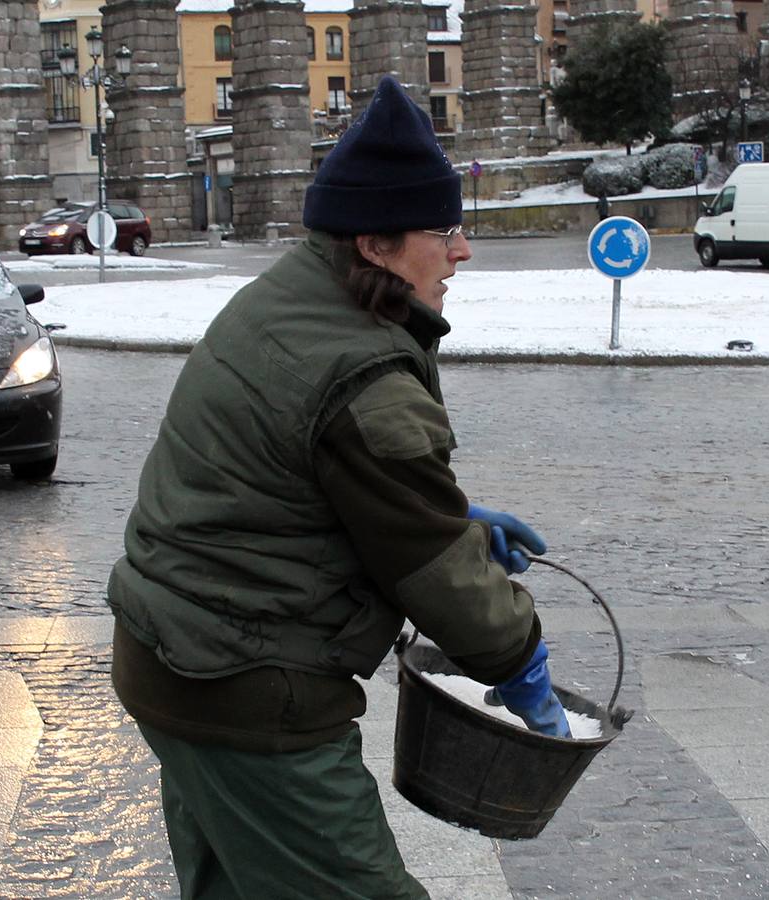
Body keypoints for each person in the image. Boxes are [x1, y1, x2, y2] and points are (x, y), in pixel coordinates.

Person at [106, 75, 569, 900]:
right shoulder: (362, 366)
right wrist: (519, 657)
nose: (462, 251)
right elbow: (429, 562)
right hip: (243, 685)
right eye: (444, 230)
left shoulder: (293, 298)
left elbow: (304, 474)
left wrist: (447, 514)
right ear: (374, 244)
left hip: (176, 659)